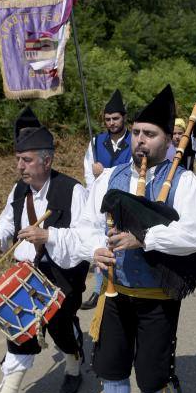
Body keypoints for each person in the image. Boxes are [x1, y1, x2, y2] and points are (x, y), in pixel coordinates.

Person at [74, 85, 196, 393]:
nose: (139, 141)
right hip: (114, 293)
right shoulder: (109, 178)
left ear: (168, 141)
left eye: (149, 134)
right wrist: (93, 250)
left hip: (157, 295)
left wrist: (146, 238)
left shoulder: (182, 182)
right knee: (112, 369)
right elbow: (86, 225)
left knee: (150, 375)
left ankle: (170, 388)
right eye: (135, 133)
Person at [0, 107, 90, 393]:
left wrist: (48, 236)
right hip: (27, 272)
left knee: (61, 329)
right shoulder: (19, 190)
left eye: (26, 160)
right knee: (19, 325)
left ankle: (73, 365)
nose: (20, 166)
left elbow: (84, 240)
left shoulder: (73, 190)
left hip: (62, 273)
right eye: (18, 160)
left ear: (47, 161)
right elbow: (6, 221)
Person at [82, 90, 132, 310]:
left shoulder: (134, 140)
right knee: (102, 244)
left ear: (124, 118)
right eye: (108, 119)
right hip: (101, 203)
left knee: (124, 245)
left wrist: (105, 172)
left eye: (116, 118)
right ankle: (98, 289)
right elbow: (87, 173)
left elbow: (136, 170)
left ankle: (126, 285)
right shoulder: (96, 142)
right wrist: (94, 181)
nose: (112, 123)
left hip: (126, 201)